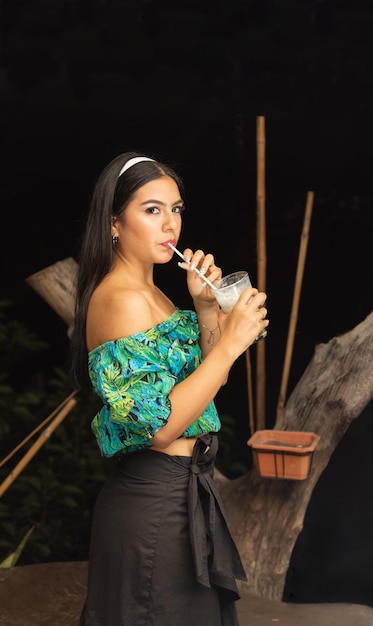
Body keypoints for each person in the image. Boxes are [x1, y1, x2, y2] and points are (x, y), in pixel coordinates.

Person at [70, 150, 269, 626]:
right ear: (114, 223)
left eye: (175, 209)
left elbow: (202, 393)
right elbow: (160, 428)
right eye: (152, 209)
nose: (170, 225)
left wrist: (205, 313)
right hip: (153, 503)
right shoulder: (120, 300)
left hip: (181, 495)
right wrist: (232, 342)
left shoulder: (156, 293)